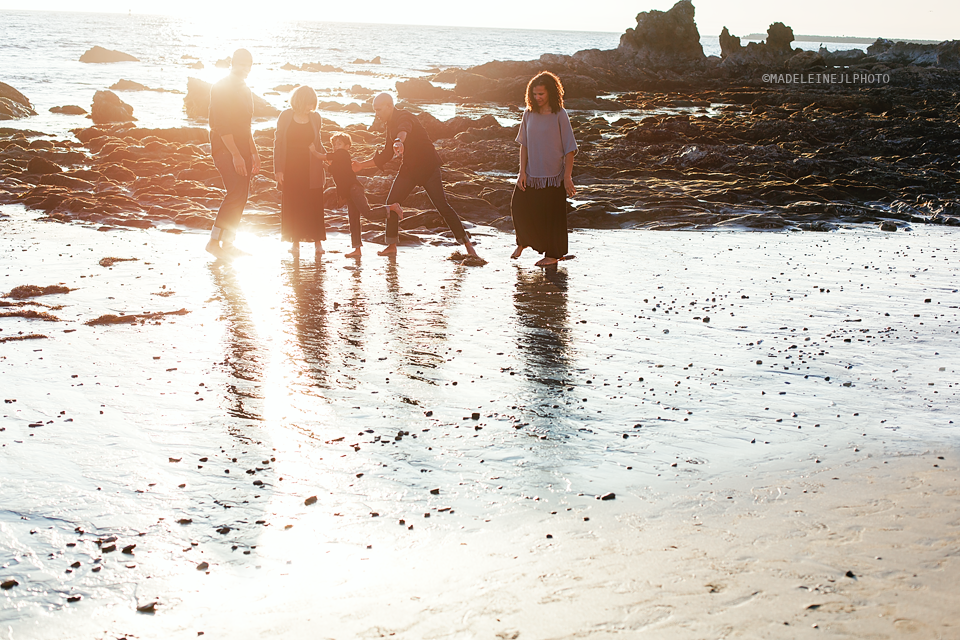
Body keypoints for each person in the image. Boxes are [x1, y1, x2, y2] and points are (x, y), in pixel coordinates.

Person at [352, 93, 479, 258]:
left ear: (389, 106)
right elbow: (386, 155)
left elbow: (404, 129)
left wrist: (399, 141)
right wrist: (362, 165)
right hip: (410, 169)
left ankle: (468, 245)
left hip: (428, 167)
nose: (376, 113)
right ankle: (391, 245)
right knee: (392, 202)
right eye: (374, 110)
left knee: (442, 205)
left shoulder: (405, 116)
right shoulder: (389, 125)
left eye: (379, 109)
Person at [511, 71, 578, 267]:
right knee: (518, 206)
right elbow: (524, 144)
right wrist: (522, 172)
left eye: (541, 94)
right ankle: (523, 241)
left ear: (551, 92)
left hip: (554, 175)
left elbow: (570, 148)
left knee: (552, 217)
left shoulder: (560, 114)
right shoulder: (528, 113)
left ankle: (553, 255)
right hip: (532, 173)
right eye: (534, 94)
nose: (537, 97)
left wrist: (567, 177)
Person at [205, 48, 261, 259]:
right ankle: (213, 242)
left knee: (242, 195)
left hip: (243, 148)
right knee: (235, 192)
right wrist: (236, 154)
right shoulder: (221, 87)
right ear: (233, 63)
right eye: (242, 64)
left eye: (249, 65)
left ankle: (228, 243)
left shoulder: (246, 90)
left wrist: (254, 152)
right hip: (225, 149)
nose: (245, 69)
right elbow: (221, 125)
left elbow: (246, 126)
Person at [274, 85, 327, 258]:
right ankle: (295, 242)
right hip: (290, 167)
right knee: (293, 204)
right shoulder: (285, 116)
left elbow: (318, 143)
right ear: (300, 101)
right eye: (308, 103)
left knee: (314, 204)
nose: (311, 107)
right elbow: (278, 143)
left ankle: (318, 242)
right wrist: (278, 169)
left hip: (311, 167)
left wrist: (328, 159)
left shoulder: (315, 117)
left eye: (313, 104)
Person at [325, 133, 374, 258]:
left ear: (347, 146)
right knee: (353, 219)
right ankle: (357, 249)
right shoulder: (338, 161)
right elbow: (332, 168)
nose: (336, 146)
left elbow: (325, 157)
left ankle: (391, 209)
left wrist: (314, 152)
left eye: (339, 144)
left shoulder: (343, 155)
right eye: (334, 144)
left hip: (354, 189)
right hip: (349, 192)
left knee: (368, 213)